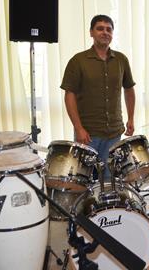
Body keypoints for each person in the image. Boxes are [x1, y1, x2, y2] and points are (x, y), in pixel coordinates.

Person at [61, 14, 135, 178]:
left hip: (114, 133)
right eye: (100, 28)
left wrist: (131, 118)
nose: (105, 32)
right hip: (88, 134)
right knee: (85, 181)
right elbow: (69, 95)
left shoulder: (121, 60)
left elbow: (129, 89)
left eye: (109, 29)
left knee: (110, 181)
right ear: (91, 32)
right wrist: (78, 128)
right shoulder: (78, 61)